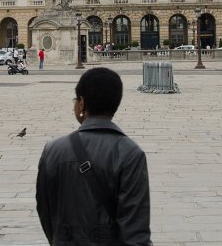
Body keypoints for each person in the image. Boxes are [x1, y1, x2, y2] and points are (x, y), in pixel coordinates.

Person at [36, 67, 152, 245]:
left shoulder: (53, 150)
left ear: (81, 103)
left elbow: (45, 211)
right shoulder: (131, 153)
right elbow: (135, 231)